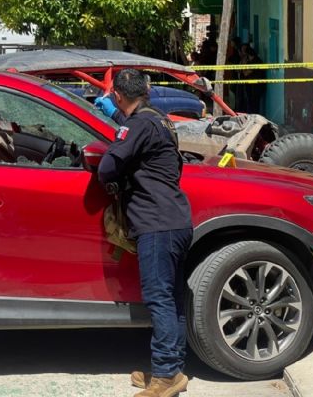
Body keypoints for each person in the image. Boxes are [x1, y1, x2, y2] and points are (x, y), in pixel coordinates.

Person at [97, 68, 193, 397]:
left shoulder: (136, 125)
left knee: (159, 300)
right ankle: (172, 369)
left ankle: (166, 376)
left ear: (118, 97)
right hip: (177, 220)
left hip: (156, 224)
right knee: (173, 300)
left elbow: (107, 167)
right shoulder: (162, 121)